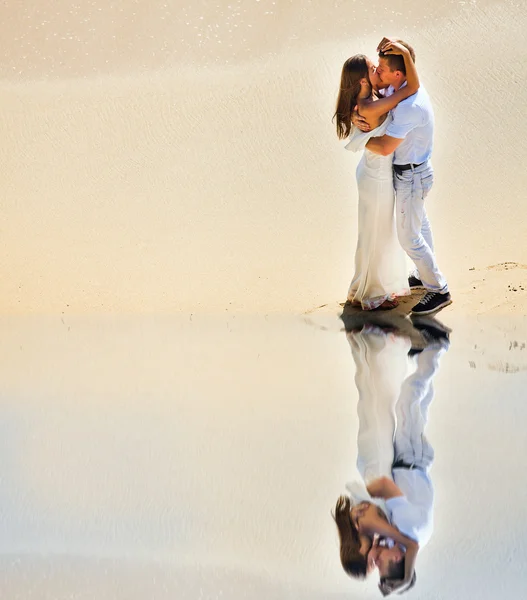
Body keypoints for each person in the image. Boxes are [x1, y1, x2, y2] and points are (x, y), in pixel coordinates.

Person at [356, 38, 452, 316]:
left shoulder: (411, 106)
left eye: (382, 68)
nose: (378, 74)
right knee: (420, 226)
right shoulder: (397, 87)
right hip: (413, 174)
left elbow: (385, 146)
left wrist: (358, 138)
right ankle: (425, 277)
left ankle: (438, 289)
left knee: (409, 237)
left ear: (398, 73)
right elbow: (399, 82)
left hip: (413, 176)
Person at [333, 41, 419, 310]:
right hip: (376, 178)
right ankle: (372, 294)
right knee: (376, 235)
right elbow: (412, 88)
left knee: (373, 233)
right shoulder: (369, 107)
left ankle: (363, 286)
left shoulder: (367, 103)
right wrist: (405, 55)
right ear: (363, 80)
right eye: (374, 69)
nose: (379, 71)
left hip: (374, 174)